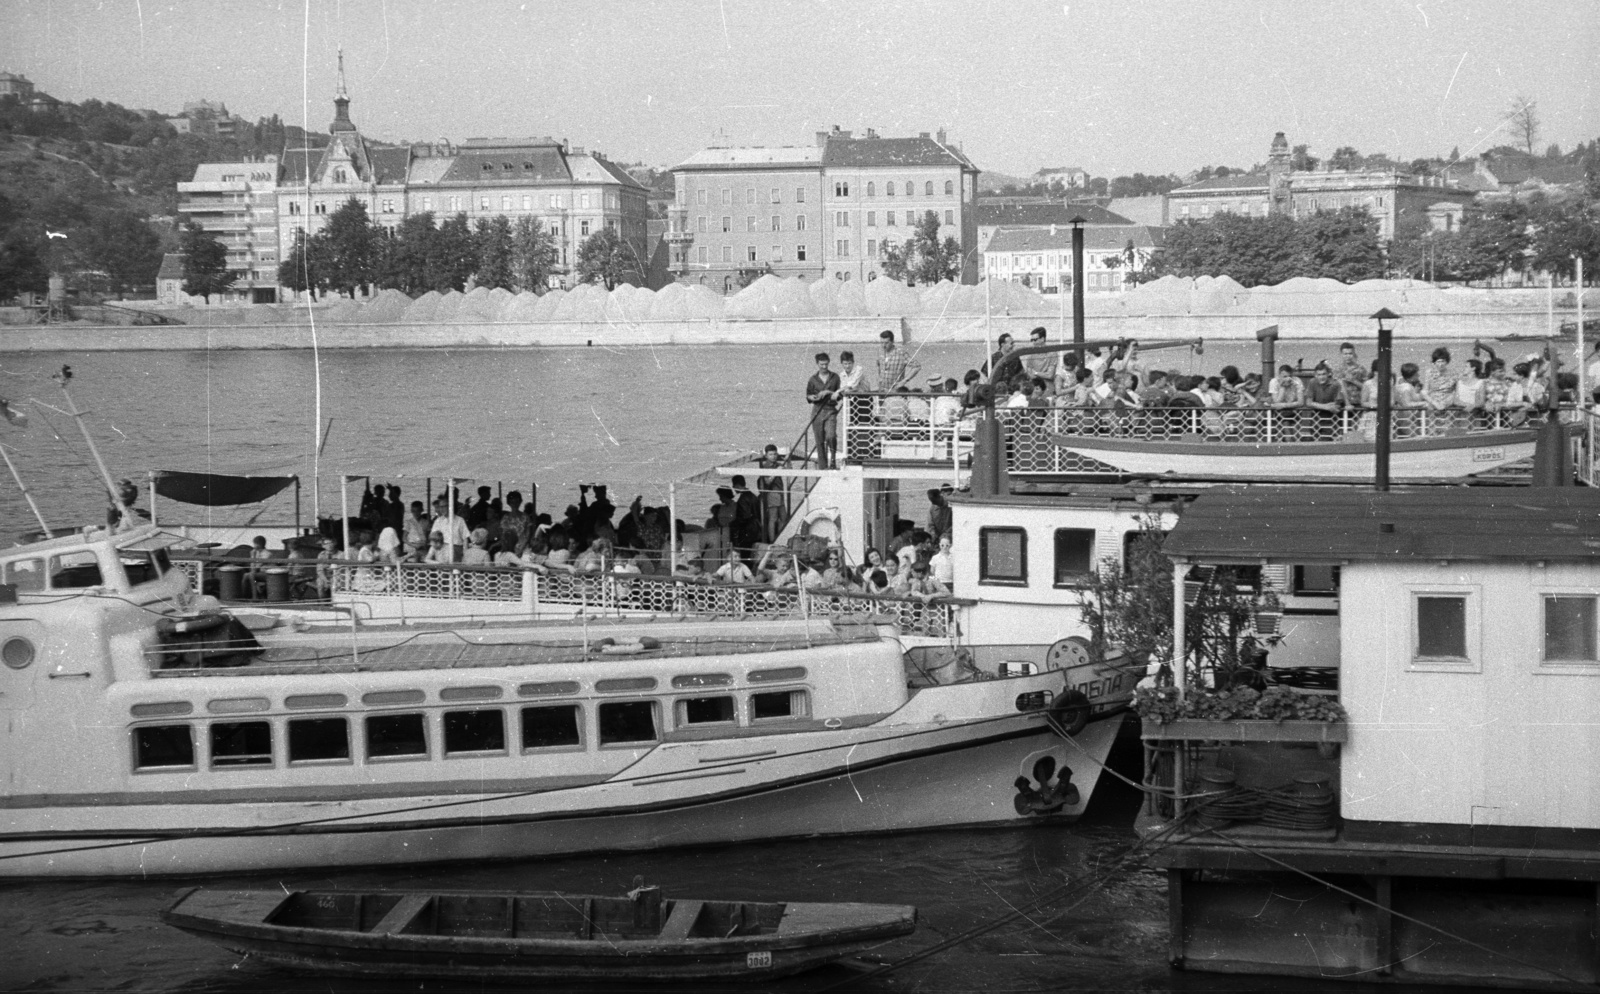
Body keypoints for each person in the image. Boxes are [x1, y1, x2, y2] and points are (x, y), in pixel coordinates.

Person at [805, 352, 841, 470]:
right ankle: (822, 466)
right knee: (819, 440)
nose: (824, 367)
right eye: (822, 365)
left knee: (831, 436)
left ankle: (833, 460)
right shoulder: (813, 379)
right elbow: (808, 396)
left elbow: (840, 394)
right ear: (817, 364)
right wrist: (814, 397)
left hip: (830, 410)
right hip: (817, 410)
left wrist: (828, 393)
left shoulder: (835, 377)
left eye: (826, 364)